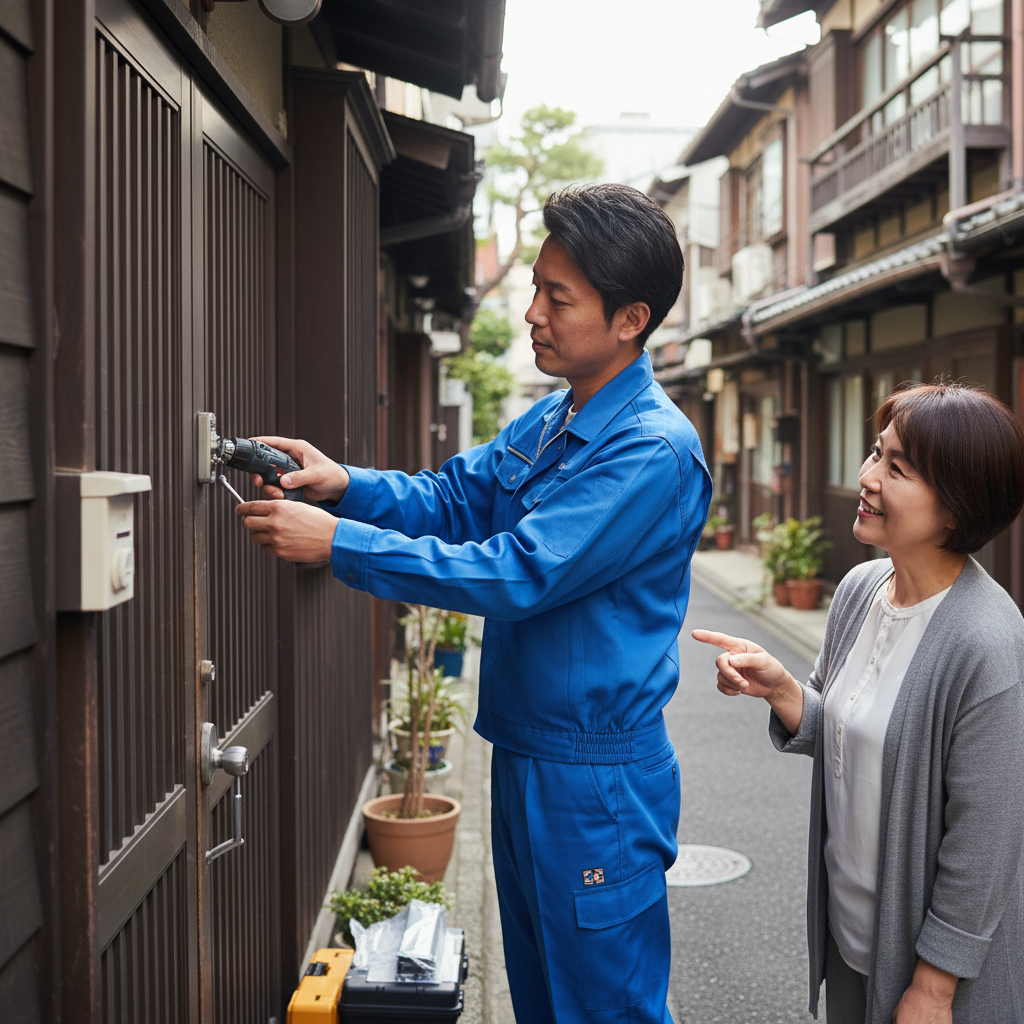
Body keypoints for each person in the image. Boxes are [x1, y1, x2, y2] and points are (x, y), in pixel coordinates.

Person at [236, 183, 712, 1023]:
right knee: (540, 996)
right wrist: (344, 485)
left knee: (606, 1008)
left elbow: (516, 573)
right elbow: (457, 497)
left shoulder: (649, 450)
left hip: (594, 778)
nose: (532, 312)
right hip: (529, 753)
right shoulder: (556, 418)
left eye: (556, 298)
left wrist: (338, 541)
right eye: (535, 286)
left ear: (630, 318)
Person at [694, 382, 1024, 1024]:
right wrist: (785, 690)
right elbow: (851, 731)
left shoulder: (987, 641)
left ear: (957, 507)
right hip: (853, 931)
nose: (868, 476)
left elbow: (986, 838)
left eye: (896, 468)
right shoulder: (860, 589)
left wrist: (933, 986)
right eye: (876, 453)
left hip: (932, 969)